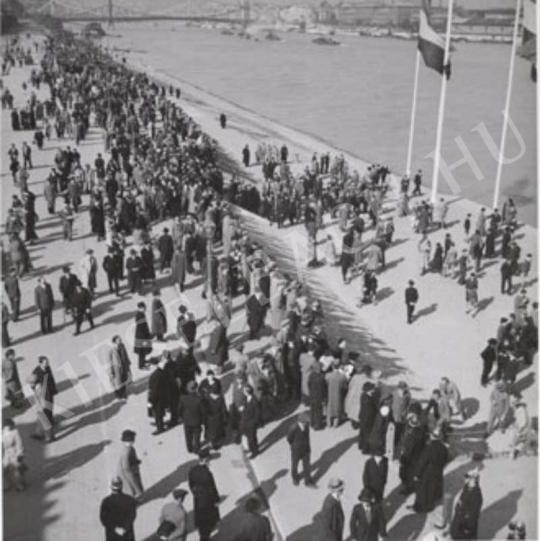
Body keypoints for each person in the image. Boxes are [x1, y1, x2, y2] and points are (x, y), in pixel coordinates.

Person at [413, 429, 449, 513]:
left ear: (432, 436)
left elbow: (422, 461)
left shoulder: (429, 447)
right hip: (438, 471)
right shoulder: (443, 447)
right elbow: (446, 459)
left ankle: (420, 507)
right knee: (432, 489)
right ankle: (430, 505)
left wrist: (417, 474)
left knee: (423, 490)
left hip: (427, 472)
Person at [188, 448, 220, 541]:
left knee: (201, 520)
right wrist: (216, 499)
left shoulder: (192, 470)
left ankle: (203, 535)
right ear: (205, 459)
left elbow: (191, 485)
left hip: (198, 499)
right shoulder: (207, 474)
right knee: (208, 521)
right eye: (209, 460)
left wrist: (196, 493)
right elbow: (212, 489)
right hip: (208, 501)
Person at [449, 469, 483, 540]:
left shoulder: (476, 494)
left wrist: (469, 528)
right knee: (455, 533)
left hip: (466, 522)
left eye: (467, 478)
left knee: (464, 536)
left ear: (473, 480)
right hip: (459, 517)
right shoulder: (467, 487)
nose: (465, 479)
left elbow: (473, 514)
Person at [398, 412, 425, 495]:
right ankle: (410, 486)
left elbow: (408, 448)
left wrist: (403, 456)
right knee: (411, 472)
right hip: (416, 456)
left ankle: (408, 489)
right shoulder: (420, 432)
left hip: (409, 457)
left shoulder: (412, 435)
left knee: (406, 473)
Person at [287, 411, 314, 486]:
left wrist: (308, 447)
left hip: (306, 449)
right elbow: (289, 439)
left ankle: (307, 481)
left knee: (307, 466)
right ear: (301, 421)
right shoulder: (293, 427)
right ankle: (295, 478)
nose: (307, 424)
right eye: (305, 423)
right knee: (295, 465)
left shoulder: (307, 426)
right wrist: (294, 446)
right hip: (296, 451)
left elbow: (307, 437)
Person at [178, 381, 205, 454]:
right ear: (196, 389)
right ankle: (196, 449)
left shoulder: (183, 398)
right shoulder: (199, 399)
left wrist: (181, 417)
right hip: (196, 422)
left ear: (187, 389)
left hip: (186, 421)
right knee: (196, 436)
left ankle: (189, 448)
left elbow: (179, 409)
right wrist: (203, 421)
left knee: (188, 436)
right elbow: (203, 412)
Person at [116, 430, 143, 500]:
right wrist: (132, 476)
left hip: (130, 471)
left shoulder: (129, 449)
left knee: (133, 487)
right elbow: (126, 467)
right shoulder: (126, 452)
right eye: (129, 441)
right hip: (128, 474)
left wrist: (136, 461)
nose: (130, 442)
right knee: (132, 487)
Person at [148, 355, 170, 435]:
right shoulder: (159, 372)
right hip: (161, 396)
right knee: (159, 412)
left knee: (157, 413)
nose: (149, 367)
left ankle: (160, 428)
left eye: (150, 365)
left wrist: (151, 401)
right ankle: (159, 424)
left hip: (157, 398)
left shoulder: (155, 375)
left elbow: (154, 390)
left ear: (154, 365)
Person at [2, 418, 26, 491]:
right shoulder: (2, 433)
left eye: (9, 426)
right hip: (6, 454)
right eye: (5, 426)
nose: (7, 428)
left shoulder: (15, 432)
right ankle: (6, 484)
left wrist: (20, 454)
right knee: (4, 469)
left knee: (17, 470)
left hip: (14, 453)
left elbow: (19, 444)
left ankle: (20, 485)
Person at [239, 384, 261, 458]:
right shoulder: (246, 398)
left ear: (247, 392)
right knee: (250, 437)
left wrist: (254, 422)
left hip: (251, 423)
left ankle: (253, 451)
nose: (243, 392)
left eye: (244, 391)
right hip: (246, 421)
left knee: (251, 438)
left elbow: (257, 413)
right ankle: (255, 448)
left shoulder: (254, 401)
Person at [107, 336, 132, 400]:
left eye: (121, 339)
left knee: (124, 378)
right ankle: (118, 394)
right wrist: (111, 370)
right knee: (117, 381)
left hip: (124, 365)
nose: (120, 341)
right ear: (115, 341)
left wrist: (128, 361)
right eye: (119, 340)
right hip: (116, 367)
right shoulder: (111, 349)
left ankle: (123, 393)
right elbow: (109, 360)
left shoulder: (122, 346)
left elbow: (126, 354)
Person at [134, 302, 152, 369]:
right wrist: (147, 336)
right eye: (144, 308)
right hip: (141, 337)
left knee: (143, 351)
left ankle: (143, 362)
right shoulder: (139, 316)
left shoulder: (141, 314)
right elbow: (142, 328)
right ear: (140, 308)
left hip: (141, 336)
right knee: (141, 352)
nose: (145, 309)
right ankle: (141, 366)